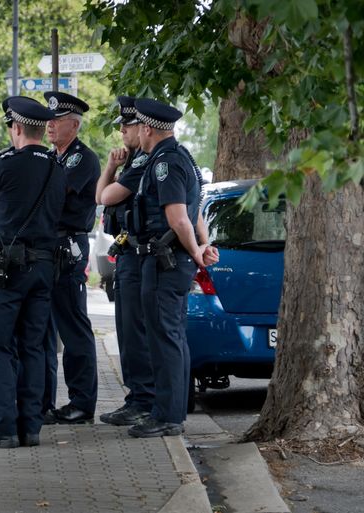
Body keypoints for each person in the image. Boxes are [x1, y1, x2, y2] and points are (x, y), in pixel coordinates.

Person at [0, 97, 66, 448]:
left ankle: (3, 427)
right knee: (33, 346)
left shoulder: (5, 166)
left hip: (7, 270)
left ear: (16, 128)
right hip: (44, 267)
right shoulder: (58, 168)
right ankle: (31, 428)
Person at [128, 98, 218, 437]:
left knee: (164, 338)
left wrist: (197, 251)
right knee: (173, 337)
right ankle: (172, 412)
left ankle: (166, 416)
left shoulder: (165, 162)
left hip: (165, 262)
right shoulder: (180, 158)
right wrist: (201, 246)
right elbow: (195, 214)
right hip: (172, 262)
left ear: (147, 128)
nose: (134, 131)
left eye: (137, 126)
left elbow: (179, 216)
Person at [94, 96, 156, 426]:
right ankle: (137, 397)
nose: (121, 131)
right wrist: (111, 167)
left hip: (137, 254)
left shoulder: (143, 164)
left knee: (134, 332)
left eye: (126, 125)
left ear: (142, 127)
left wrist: (110, 170)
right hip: (127, 252)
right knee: (126, 330)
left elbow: (105, 196)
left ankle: (143, 399)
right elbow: (100, 198)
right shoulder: (132, 163)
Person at [40, 91, 101, 425]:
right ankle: (42, 400)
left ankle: (82, 402)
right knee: (42, 329)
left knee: (73, 327)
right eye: (48, 120)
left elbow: (53, 194)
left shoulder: (81, 158)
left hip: (68, 247)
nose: (50, 126)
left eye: (57, 120)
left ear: (74, 125)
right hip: (48, 247)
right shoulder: (54, 157)